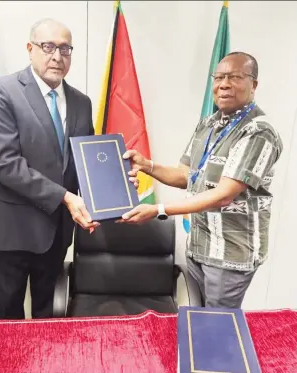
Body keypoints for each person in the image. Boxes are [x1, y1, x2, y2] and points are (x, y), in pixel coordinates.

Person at [0, 18, 137, 325]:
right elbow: (4, 164)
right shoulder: (1, 92)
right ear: (30, 49)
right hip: (11, 228)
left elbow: (82, 164)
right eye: (48, 47)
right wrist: (65, 197)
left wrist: (114, 186)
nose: (57, 57)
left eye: (65, 49)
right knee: (7, 321)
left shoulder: (81, 102)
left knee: (48, 318)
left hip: (57, 231)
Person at [120, 52, 283, 308]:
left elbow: (224, 194)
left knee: (218, 326)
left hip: (229, 254)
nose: (224, 84)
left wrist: (159, 209)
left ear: (254, 84)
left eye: (235, 77)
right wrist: (146, 166)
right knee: (199, 321)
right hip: (199, 247)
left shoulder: (258, 132)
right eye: (219, 77)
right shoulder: (207, 125)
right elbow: (187, 176)